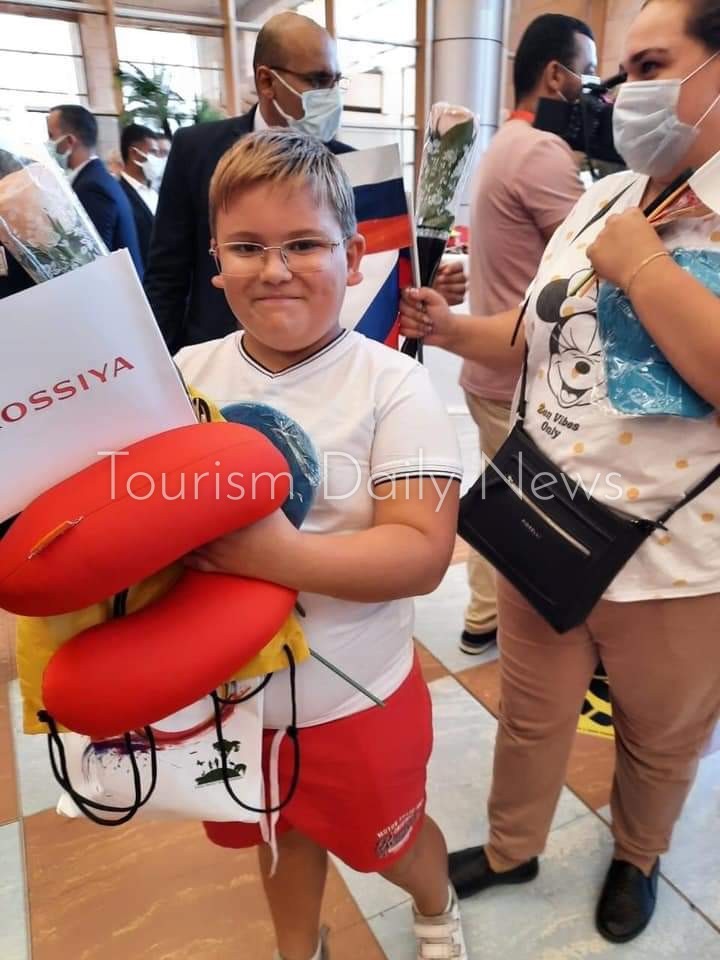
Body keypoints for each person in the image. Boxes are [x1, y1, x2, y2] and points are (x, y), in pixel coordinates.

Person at [400, 0, 720, 944]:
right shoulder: (605, 197)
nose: (624, 93)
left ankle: (638, 856)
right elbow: (536, 328)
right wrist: (451, 328)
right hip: (542, 515)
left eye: (652, 65)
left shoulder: (645, 228)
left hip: (678, 557)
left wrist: (645, 268)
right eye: (625, 69)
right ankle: (513, 848)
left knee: (660, 733)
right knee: (532, 713)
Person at [175, 129, 467, 960]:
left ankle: (437, 906)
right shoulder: (186, 372)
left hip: (354, 696)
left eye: (303, 244)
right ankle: (298, 947)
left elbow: (420, 551)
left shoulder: (391, 384)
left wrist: (267, 557)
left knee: (392, 843)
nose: (274, 270)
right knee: (278, 837)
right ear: (216, 262)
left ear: (354, 255)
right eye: (247, 248)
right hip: (230, 702)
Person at [145, 11, 465, 352]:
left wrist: (420, 288)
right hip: (217, 353)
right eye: (317, 80)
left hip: (322, 359)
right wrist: (160, 363)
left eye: (336, 81)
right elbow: (167, 275)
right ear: (266, 82)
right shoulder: (196, 150)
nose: (331, 95)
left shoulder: (354, 168)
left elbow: (368, 278)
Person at [458, 13, 596, 657]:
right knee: (531, 519)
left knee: (506, 498)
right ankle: (516, 634)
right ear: (556, 76)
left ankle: (483, 616)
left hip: (494, 364)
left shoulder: (506, 142)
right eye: (586, 75)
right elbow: (597, 263)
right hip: (523, 371)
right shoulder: (541, 151)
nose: (593, 91)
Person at [46, 105, 143, 277]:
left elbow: (92, 259)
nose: (48, 144)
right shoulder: (96, 178)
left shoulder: (91, 188)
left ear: (70, 141)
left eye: (51, 136)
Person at [118, 124, 165, 271]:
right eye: (152, 152)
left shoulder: (155, 192)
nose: (158, 159)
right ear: (133, 153)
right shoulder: (120, 194)